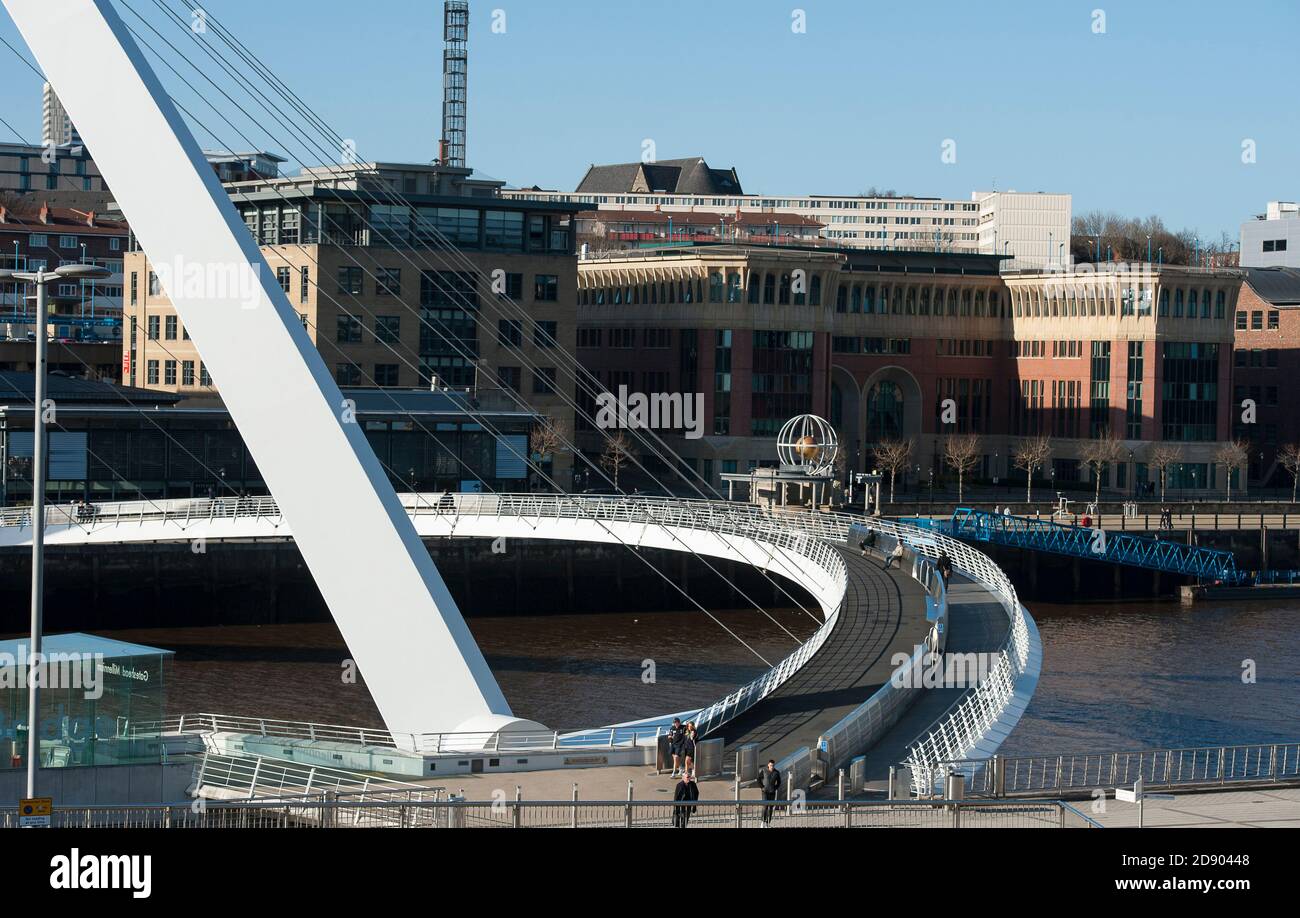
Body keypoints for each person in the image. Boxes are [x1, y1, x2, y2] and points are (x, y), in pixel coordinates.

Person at [759, 759, 781, 827]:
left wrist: (775, 788)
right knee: (765, 807)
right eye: (771, 765)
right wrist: (762, 787)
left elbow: (779, 782)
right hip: (765, 792)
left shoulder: (776, 772)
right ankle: (763, 822)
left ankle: (768, 823)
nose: (772, 766)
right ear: (768, 765)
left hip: (772, 792)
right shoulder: (764, 770)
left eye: (773, 765)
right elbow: (758, 779)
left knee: (771, 808)